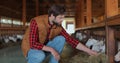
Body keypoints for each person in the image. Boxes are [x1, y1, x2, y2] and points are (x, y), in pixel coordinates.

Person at [21, 5, 98, 63]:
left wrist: (89, 51)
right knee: (40, 56)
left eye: (63, 18)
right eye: (60, 18)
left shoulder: (58, 26)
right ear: (52, 16)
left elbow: (71, 40)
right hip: (31, 49)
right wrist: (52, 50)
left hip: (44, 47)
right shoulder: (36, 22)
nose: (62, 20)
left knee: (61, 39)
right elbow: (33, 44)